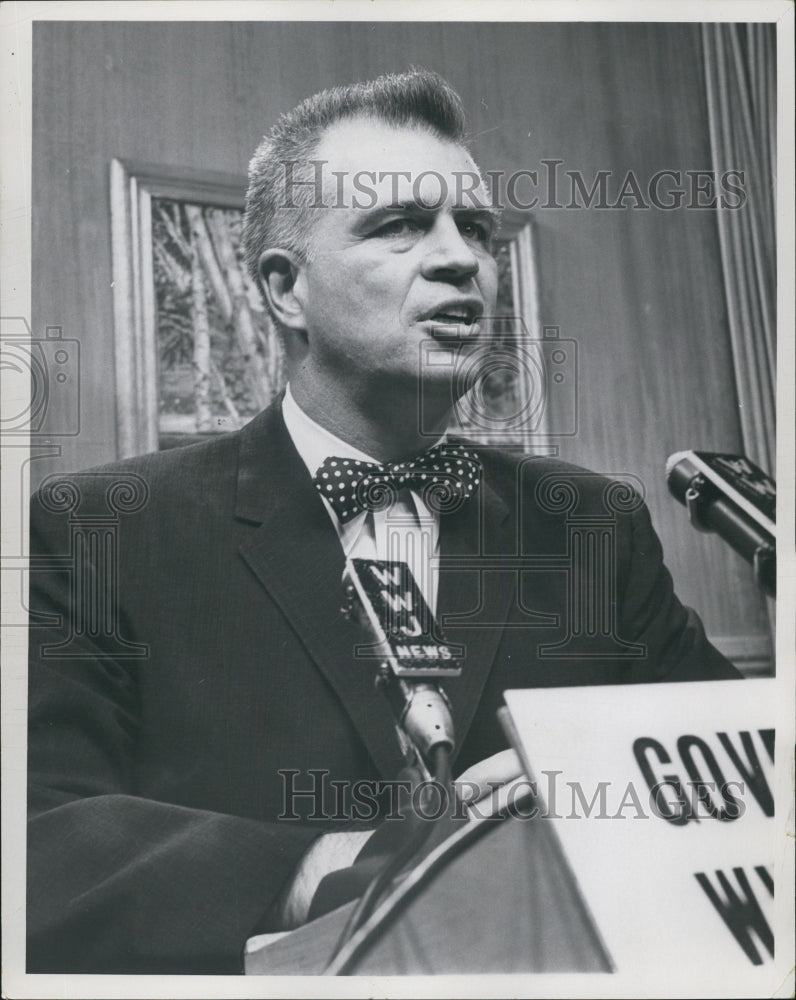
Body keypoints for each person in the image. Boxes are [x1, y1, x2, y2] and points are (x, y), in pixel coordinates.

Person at [26, 69, 740, 975]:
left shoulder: (590, 521)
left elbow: (734, 782)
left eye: (475, 229)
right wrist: (323, 867)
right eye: (400, 224)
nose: (462, 260)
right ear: (286, 289)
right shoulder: (102, 530)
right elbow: (37, 833)